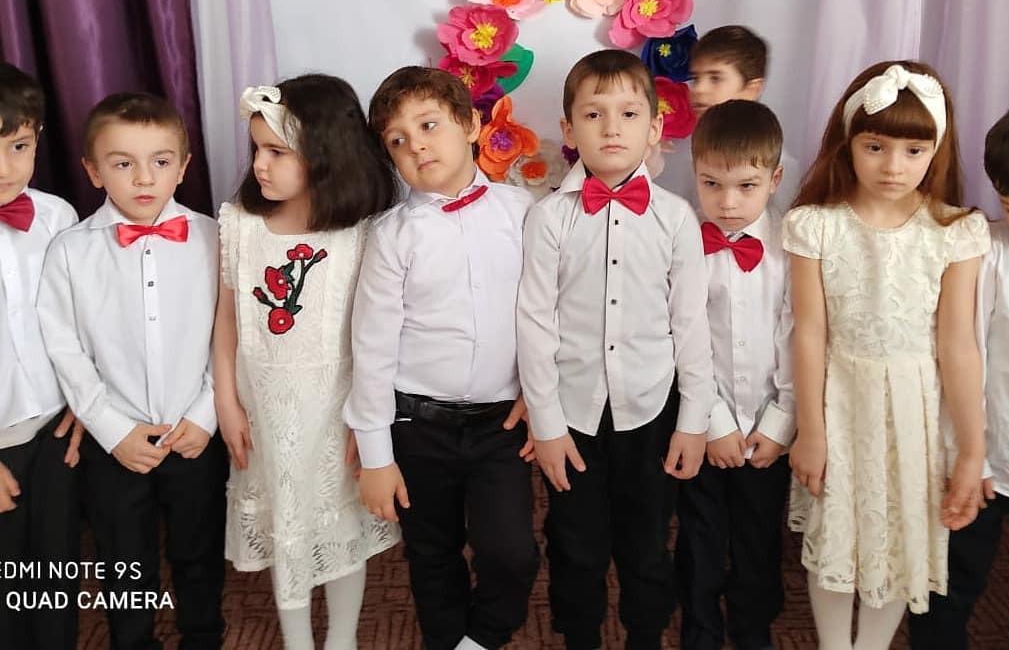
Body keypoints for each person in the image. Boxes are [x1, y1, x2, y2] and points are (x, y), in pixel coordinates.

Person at [784, 61, 989, 650]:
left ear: (936, 151)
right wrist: (812, 431)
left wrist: (972, 449)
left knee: (901, 536)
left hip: (915, 411)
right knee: (838, 532)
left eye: (913, 150)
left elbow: (958, 344)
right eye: (875, 147)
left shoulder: (955, 230)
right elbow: (809, 332)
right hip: (841, 404)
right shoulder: (814, 225)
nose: (893, 166)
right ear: (848, 144)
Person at [517, 49, 714, 650]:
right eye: (593, 114)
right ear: (568, 128)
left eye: (628, 114)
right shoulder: (548, 218)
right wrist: (546, 425)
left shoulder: (677, 219)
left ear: (654, 127)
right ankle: (579, 637)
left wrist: (694, 421)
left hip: (650, 410)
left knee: (648, 543)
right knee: (574, 544)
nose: (611, 128)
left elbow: (691, 324)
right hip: (573, 415)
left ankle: (645, 637)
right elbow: (534, 324)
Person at [345, 66, 538, 650]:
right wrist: (376, 456)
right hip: (417, 424)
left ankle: (483, 638)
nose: (417, 146)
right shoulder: (391, 234)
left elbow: (549, 315)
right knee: (432, 553)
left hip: (500, 424)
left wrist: (542, 397)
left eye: (428, 125)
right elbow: (372, 346)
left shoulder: (524, 211)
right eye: (397, 140)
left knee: (510, 552)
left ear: (472, 124)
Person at [213, 75, 400, 650]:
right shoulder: (240, 225)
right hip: (264, 414)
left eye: (277, 152)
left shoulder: (361, 234)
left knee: (338, 524)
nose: (259, 165)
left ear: (323, 154)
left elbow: (377, 337)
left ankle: (342, 638)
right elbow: (227, 322)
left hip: (335, 412)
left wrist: (368, 423)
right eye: (256, 150)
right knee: (284, 522)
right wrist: (226, 402)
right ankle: (297, 641)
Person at [37, 92, 228, 649]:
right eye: (123, 163)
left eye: (160, 161)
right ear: (94, 171)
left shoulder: (216, 240)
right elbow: (64, 347)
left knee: (199, 550)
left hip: (194, 433)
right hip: (114, 438)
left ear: (183, 167)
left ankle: (202, 637)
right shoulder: (69, 251)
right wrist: (111, 429)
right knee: (124, 560)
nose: (144, 178)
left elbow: (230, 338)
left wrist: (206, 416)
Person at [674, 99, 793, 650]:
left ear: (775, 180)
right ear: (695, 173)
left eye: (746, 186)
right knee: (698, 536)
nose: (727, 202)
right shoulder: (685, 248)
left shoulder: (791, 251)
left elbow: (799, 337)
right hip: (702, 422)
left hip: (770, 426)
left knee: (759, 536)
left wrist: (780, 422)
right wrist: (713, 421)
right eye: (712, 184)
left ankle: (753, 630)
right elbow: (684, 339)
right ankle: (699, 631)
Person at [909, 105, 1009, 649]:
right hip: (988, 456)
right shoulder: (989, 253)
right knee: (951, 583)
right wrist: (971, 456)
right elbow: (962, 353)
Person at [0, 63, 81, 650]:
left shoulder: (57, 217)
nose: (5, 168)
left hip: (54, 428)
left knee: (53, 576)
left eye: (19, 146)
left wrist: (83, 403)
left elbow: (78, 324)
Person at [665, 25, 800, 211]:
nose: (699, 89)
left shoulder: (779, 162)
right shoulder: (690, 155)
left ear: (752, 89)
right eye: (696, 79)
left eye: (715, 78)